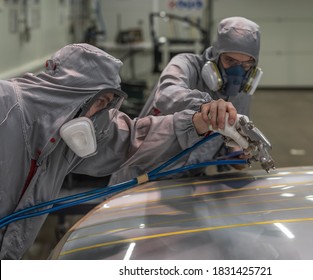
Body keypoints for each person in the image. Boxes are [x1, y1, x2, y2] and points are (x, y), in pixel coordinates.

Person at [0, 43, 239, 259]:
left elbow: (132, 138)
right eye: (100, 101)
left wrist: (197, 122)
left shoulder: (66, 138)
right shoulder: (6, 106)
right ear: (71, 90)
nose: (99, 115)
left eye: (107, 103)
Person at [109, 16, 262, 185]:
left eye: (246, 64)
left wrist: (236, 155)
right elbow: (167, 93)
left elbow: (226, 144)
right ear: (216, 55)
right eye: (230, 61)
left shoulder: (241, 94)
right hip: (138, 178)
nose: (238, 71)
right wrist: (205, 106)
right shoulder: (186, 65)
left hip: (189, 184)